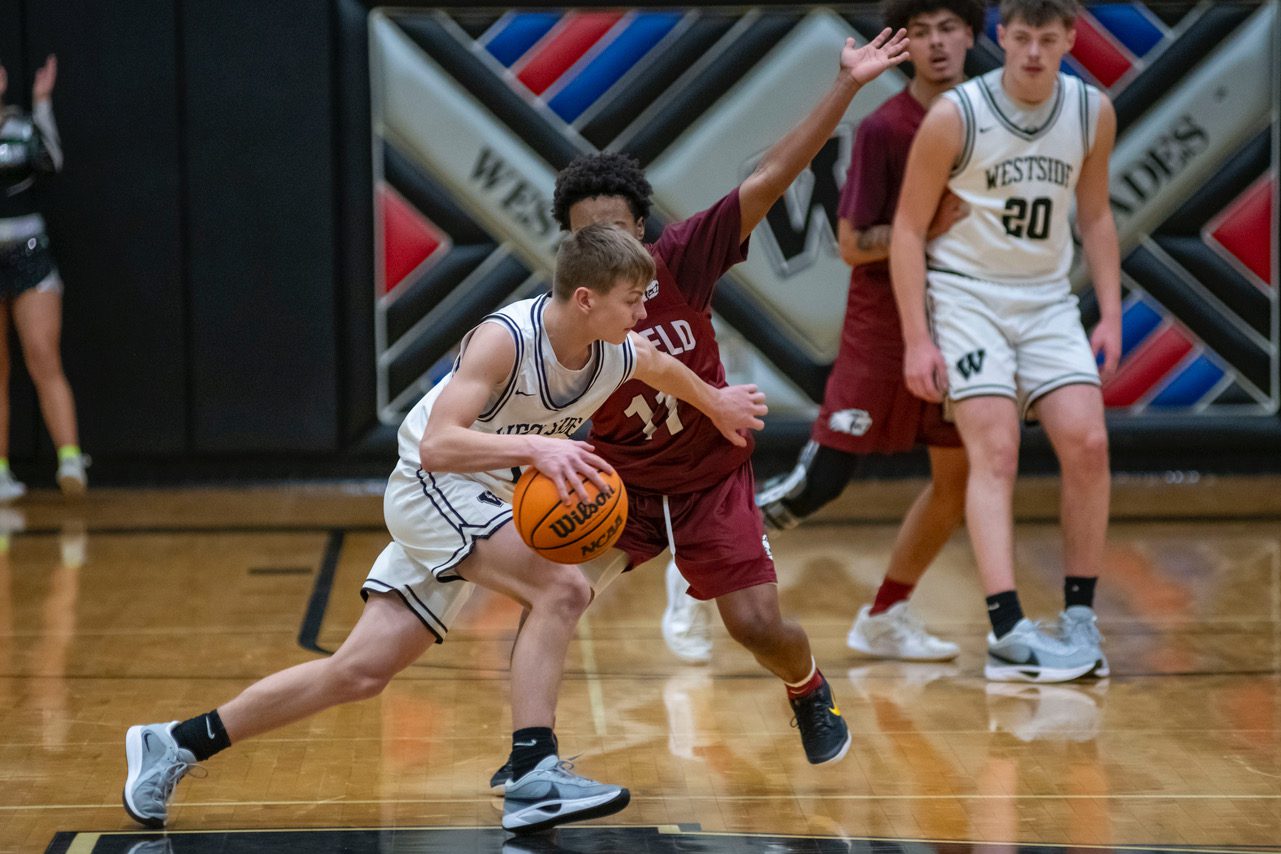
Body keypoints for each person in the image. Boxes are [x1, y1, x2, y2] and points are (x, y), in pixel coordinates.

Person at [121, 224, 768, 834]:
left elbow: (662, 369)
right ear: (584, 299)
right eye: (630, 300)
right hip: (432, 485)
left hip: (484, 496)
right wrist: (537, 449)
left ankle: (174, 743)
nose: (641, 312)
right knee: (563, 589)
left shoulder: (617, 351)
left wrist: (717, 404)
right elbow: (437, 446)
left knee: (359, 672)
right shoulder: (505, 340)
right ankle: (532, 769)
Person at [487, 28, 911, 786]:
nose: (603, 244)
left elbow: (773, 176)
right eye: (587, 236)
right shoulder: (560, 314)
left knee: (754, 624)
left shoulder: (682, 257)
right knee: (552, 595)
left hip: (710, 476)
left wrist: (846, 84)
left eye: (615, 229)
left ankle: (808, 688)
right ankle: (531, 756)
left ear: (640, 230)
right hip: (622, 483)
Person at [891, 0, 1119, 682]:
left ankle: (1079, 615)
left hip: (1047, 299)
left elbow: (1096, 215)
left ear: (1069, 39)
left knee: (1088, 442)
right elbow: (907, 230)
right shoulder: (955, 115)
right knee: (995, 451)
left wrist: (1109, 314)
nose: (1033, 53)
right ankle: (1008, 631)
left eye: (1047, 39)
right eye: (1021, 38)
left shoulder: (1091, 111)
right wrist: (917, 340)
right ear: (1000, 36)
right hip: (967, 296)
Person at [756, 0, 987, 664]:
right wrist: (926, 226)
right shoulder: (887, 129)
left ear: (971, 35)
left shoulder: (993, 121)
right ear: (905, 46)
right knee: (826, 477)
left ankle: (884, 615)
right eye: (921, 32)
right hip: (883, 325)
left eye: (948, 28)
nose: (936, 43)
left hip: (962, 319)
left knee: (958, 478)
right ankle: (702, 560)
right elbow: (854, 244)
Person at [0, 54, 89, 499]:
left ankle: (69, 459)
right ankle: (0, 471)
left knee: (42, 355)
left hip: (28, 252)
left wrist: (42, 103)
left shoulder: (21, 128)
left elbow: (51, 161)